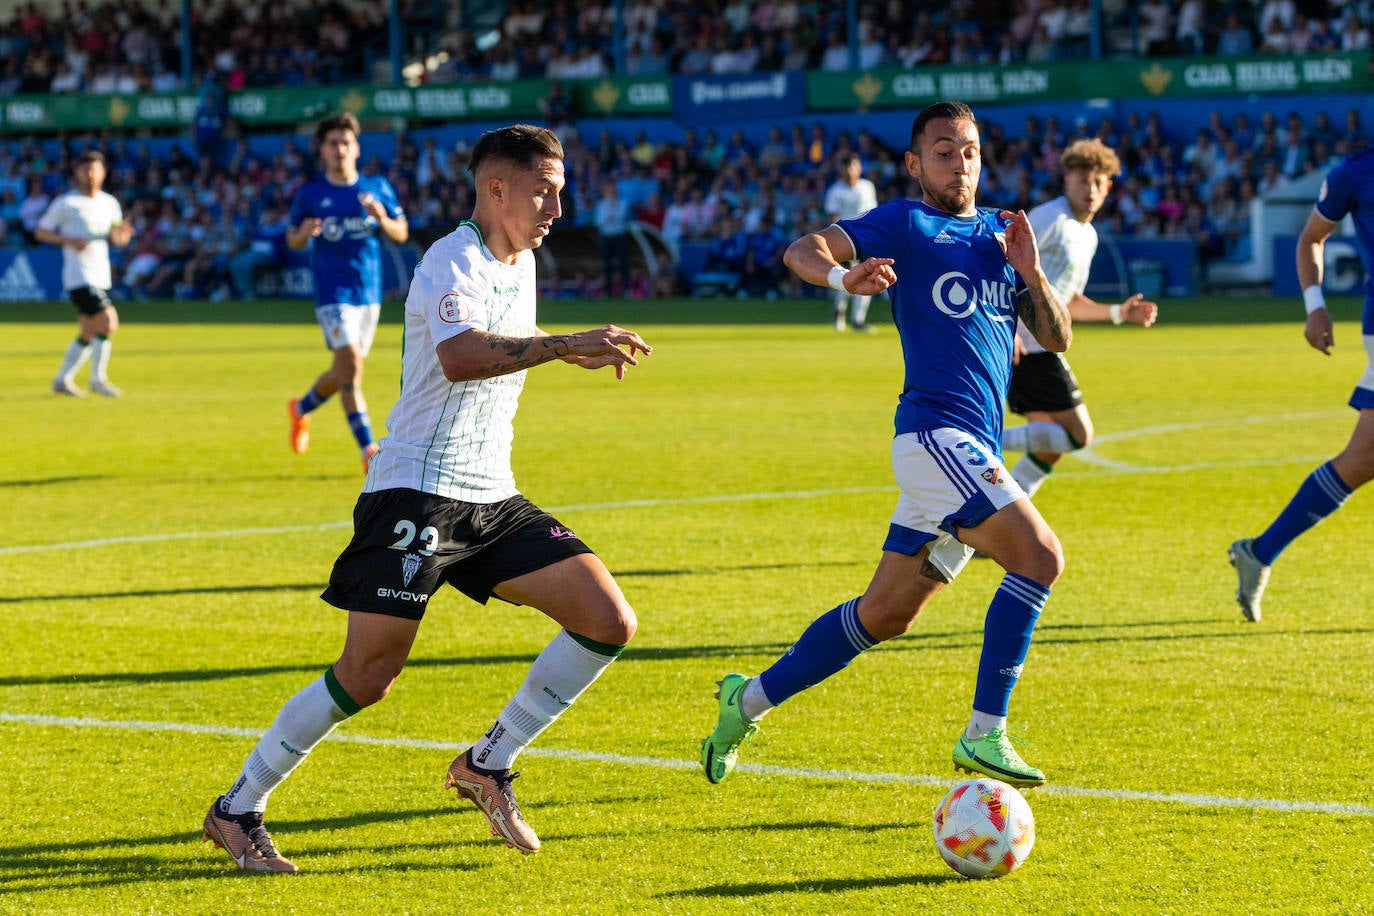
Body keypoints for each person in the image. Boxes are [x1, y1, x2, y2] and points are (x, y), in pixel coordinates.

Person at [202, 124, 653, 872]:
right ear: (496, 188)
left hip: (491, 495)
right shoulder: (452, 256)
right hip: (415, 494)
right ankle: (237, 808)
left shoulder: (524, 259)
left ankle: (487, 763)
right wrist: (563, 343)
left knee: (608, 619)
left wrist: (559, 343)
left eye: (560, 192)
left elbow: (502, 331)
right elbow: (461, 353)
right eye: (543, 191)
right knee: (368, 675)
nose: (556, 209)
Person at [700, 101, 1072, 790]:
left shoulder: (1002, 233)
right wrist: (845, 277)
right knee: (1041, 556)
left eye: (969, 150)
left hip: (964, 449)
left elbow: (1056, 338)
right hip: (936, 435)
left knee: (885, 615)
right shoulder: (904, 221)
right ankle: (985, 733)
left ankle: (744, 701)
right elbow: (801, 251)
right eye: (942, 150)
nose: (958, 162)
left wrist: (1033, 269)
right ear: (914, 163)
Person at [1229, 145, 1374, 621]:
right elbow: (1311, 238)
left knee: (1362, 459)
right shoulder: (1355, 172)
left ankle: (1260, 551)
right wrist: (1315, 305)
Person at [1000, 138, 1159, 499]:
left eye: (1097, 183)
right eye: (1082, 181)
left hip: (1040, 342)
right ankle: (975, 440)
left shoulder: (1086, 234)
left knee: (1049, 445)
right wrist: (1004, 328)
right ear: (1066, 180)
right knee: (1077, 434)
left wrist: (1120, 312)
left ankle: (989, 526)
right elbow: (1002, 263)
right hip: (1028, 346)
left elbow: (1067, 301)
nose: (1090, 190)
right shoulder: (1050, 218)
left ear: (1109, 187)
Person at [285, 112, 410, 473]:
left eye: (346, 142)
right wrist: (304, 231)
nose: (340, 149)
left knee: (343, 373)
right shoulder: (310, 194)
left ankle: (300, 408)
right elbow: (292, 239)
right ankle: (368, 451)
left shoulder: (376, 188)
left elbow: (400, 232)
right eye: (333, 143)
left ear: (356, 148)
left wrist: (381, 217)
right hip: (332, 291)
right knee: (352, 367)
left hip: (367, 293)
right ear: (322, 150)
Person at [34, 150, 135, 398]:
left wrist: (123, 236)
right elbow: (41, 232)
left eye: (95, 170)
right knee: (109, 321)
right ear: (77, 173)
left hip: (101, 273)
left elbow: (116, 238)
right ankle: (98, 380)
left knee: (89, 331)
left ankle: (62, 379)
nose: (90, 174)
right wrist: (68, 240)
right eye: (85, 169)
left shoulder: (109, 203)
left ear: (103, 173)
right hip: (79, 275)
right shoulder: (67, 203)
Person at [823, 152, 879, 331]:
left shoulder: (867, 187)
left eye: (853, 165)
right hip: (845, 239)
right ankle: (838, 311)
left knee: (868, 278)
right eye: (846, 166)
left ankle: (858, 320)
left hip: (867, 239)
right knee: (846, 278)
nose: (849, 170)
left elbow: (873, 214)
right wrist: (839, 244)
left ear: (859, 168)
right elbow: (834, 218)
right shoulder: (835, 190)